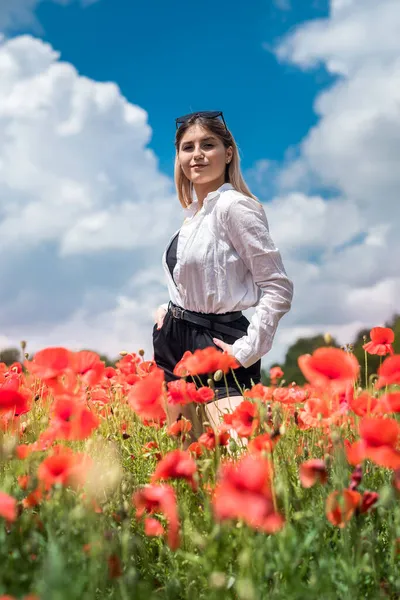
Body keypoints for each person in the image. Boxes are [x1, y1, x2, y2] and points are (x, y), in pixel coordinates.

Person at [152, 110, 293, 439]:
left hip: (219, 343)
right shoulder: (192, 217)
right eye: (188, 147)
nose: (197, 154)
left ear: (228, 153)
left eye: (208, 144)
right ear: (178, 157)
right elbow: (200, 280)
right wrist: (168, 309)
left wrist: (246, 351)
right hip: (175, 343)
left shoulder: (235, 207)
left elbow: (277, 287)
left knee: (241, 463)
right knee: (190, 468)